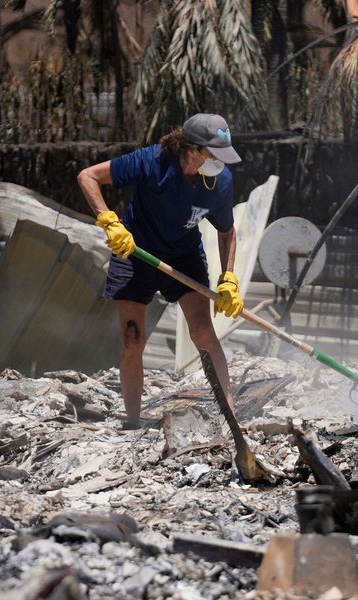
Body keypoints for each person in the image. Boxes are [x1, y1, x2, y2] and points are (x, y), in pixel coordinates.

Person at [77, 113, 244, 429]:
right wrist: (109, 221)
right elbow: (88, 176)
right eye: (214, 154)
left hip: (183, 255)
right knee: (131, 341)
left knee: (203, 332)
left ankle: (231, 418)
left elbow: (227, 231)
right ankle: (132, 424)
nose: (220, 162)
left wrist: (229, 278)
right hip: (133, 252)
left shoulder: (220, 182)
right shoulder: (154, 161)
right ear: (190, 148)